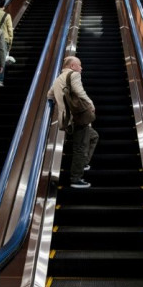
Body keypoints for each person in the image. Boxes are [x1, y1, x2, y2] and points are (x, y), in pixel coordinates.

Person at [48, 56, 99, 189]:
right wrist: (90, 102)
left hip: (67, 119)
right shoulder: (74, 75)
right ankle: (76, 178)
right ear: (72, 66)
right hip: (78, 117)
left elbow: (50, 95)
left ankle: (83, 163)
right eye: (79, 65)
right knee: (80, 148)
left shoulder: (58, 79)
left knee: (93, 136)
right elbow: (79, 91)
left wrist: (61, 104)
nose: (81, 68)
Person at [0, 0, 14, 88]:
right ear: (3, 4)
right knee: (2, 60)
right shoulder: (7, 16)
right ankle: (0, 80)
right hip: (4, 40)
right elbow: (10, 30)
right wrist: (10, 42)